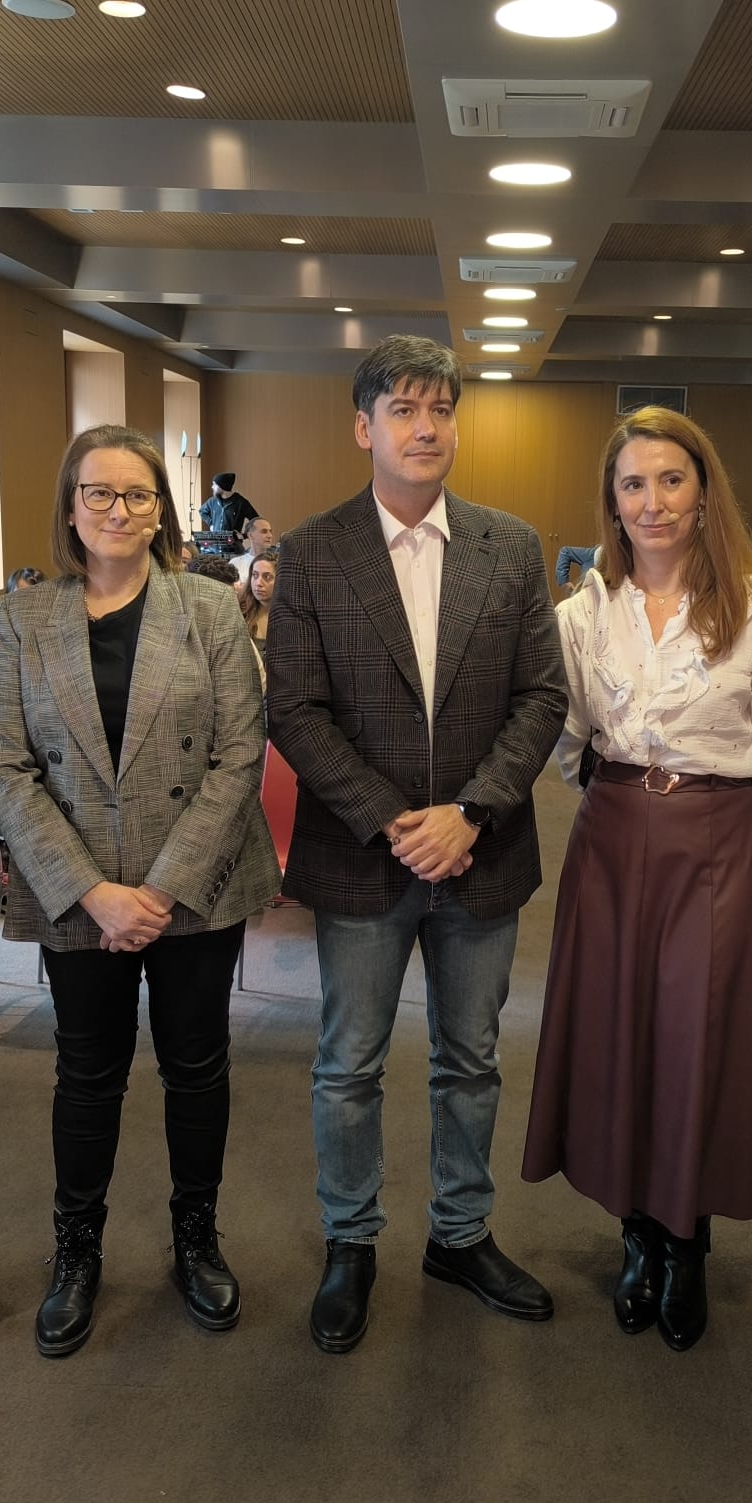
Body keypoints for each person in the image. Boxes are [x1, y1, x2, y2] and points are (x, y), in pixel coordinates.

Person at [268, 334, 568, 1355]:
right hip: (366, 856)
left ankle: (460, 1233)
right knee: (348, 1065)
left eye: (441, 408)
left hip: (483, 851)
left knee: (470, 1059)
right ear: (365, 427)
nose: (426, 426)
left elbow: (542, 697)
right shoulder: (312, 554)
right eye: (403, 408)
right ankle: (350, 1241)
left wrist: (471, 813)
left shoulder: (510, 546)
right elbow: (296, 710)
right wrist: (398, 821)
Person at [0, 425, 281, 1357]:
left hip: (195, 886)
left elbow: (240, 755)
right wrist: (93, 892)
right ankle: (77, 1252)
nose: (118, 510)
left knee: (196, 1067)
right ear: (70, 506)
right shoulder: (26, 617)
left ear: (164, 510)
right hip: (78, 893)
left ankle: (197, 1238)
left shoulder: (209, 607)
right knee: (87, 1074)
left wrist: (158, 887)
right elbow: (5, 763)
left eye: (138, 495)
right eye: (98, 493)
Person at [522, 407, 752, 1352]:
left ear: (703, 490)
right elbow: (564, 741)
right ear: (612, 499)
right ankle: (636, 1235)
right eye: (633, 484)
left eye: (671, 480)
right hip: (609, 837)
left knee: (699, 1037)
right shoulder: (581, 612)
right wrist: (628, 796)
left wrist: (693, 807)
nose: (652, 501)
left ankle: (688, 1245)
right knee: (618, 1037)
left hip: (714, 841)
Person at [238, 549, 276, 646]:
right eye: (255, 575)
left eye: (267, 577)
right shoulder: (240, 611)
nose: (258, 583)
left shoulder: (291, 616)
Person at [231, 516, 275, 583]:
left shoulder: (277, 563)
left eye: (270, 531)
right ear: (250, 535)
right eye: (264, 531)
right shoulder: (235, 563)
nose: (269, 536)